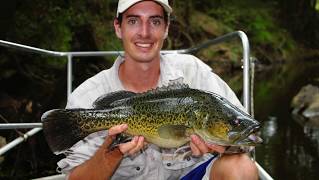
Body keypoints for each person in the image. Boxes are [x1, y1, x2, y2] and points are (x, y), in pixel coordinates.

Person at [57, 0, 259, 179]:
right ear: (118, 28)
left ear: (166, 28)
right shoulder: (88, 95)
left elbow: (243, 140)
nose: (144, 32)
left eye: (155, 21)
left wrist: (222, 148)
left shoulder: (195, 73)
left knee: (242, 168)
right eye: (133, 21)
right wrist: (112, 152)